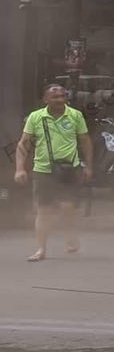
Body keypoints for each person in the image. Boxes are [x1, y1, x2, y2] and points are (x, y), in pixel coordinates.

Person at [13, 84, 92, 262]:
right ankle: (41, 249)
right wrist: (19, 168)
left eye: (62, 96)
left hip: (70, 168)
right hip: (43, 170)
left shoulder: (75, 116)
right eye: (55, 97)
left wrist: (88, 166)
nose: (59, 100)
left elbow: (85, 141)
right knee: (43, 210)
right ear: (46, 100)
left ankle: (71, 235)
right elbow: (23, 144)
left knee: (67, 206)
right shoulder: (36, 117)